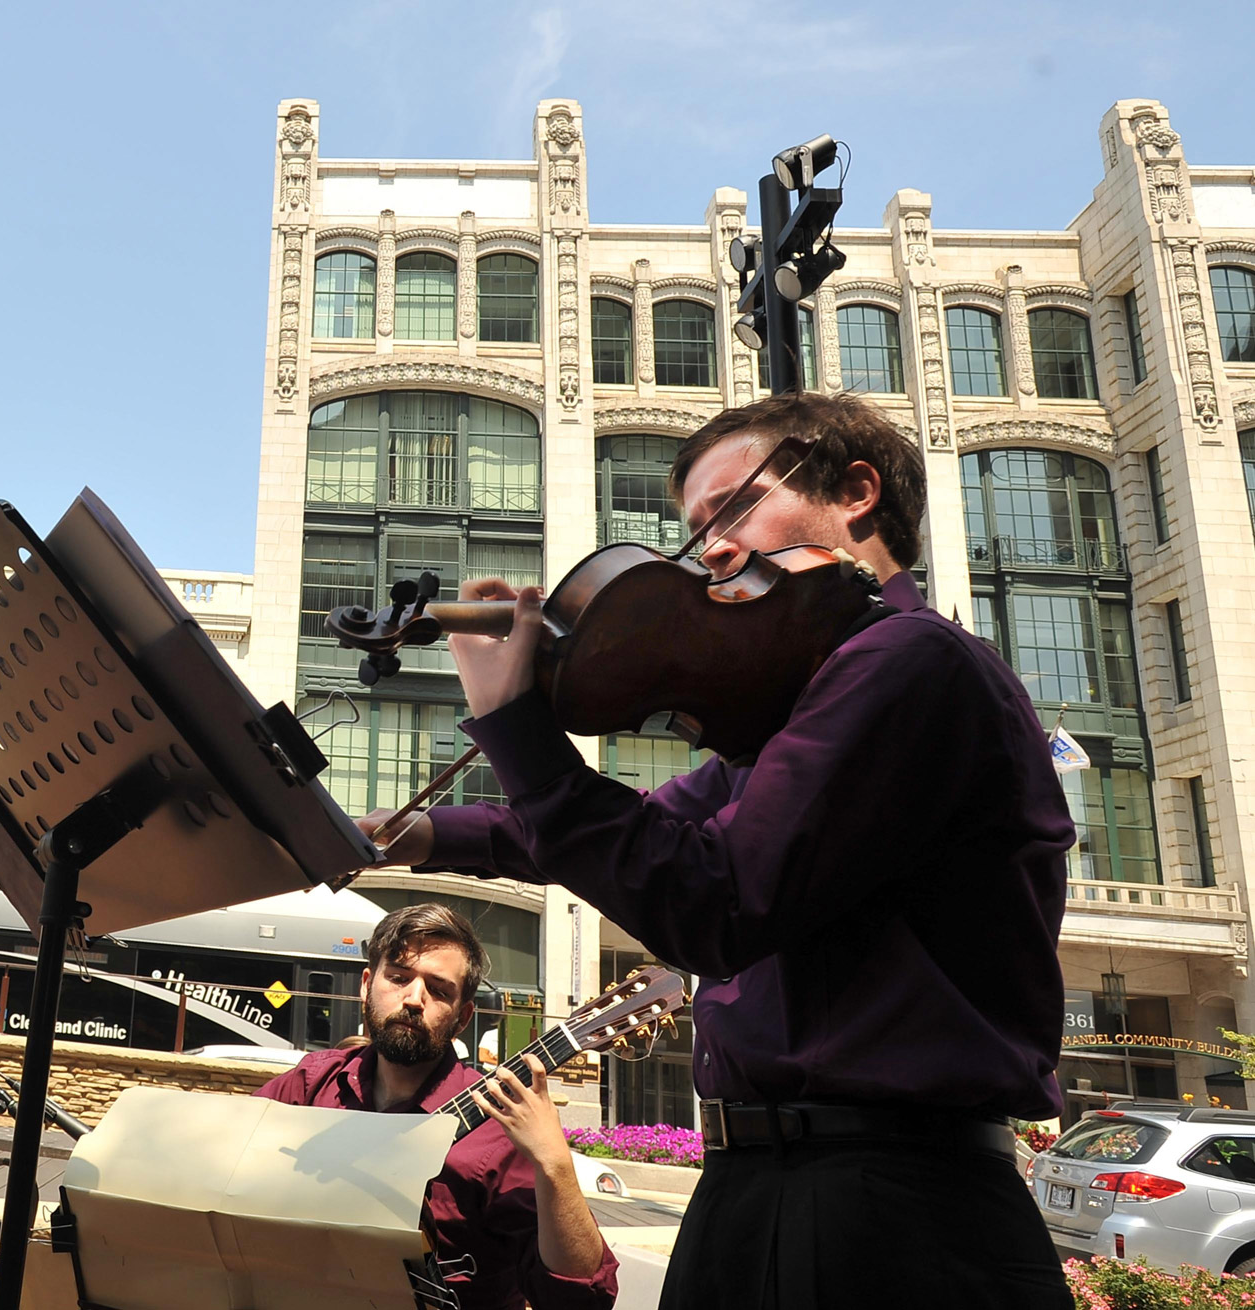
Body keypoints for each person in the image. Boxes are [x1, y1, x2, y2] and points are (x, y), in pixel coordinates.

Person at [368, 391, 1073, 1309]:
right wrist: (399, 835)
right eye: (697, 532)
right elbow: (623, 830)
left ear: (856, 493)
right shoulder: (783, 726)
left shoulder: (913, 660)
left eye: (732, 509)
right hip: (761, 1188)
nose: (711, 553)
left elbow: (716, 900)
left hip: (894, 1209)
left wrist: (519, 725)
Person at [255, 903, 618, 1310]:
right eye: (398, 977)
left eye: (439, 990)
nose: (413, 999)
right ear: (366, 985)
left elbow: (580, 1296)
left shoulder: (498, 1130)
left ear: (462, 1017)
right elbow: (223, 1166)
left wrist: (555, 1164)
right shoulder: (311, 1084)